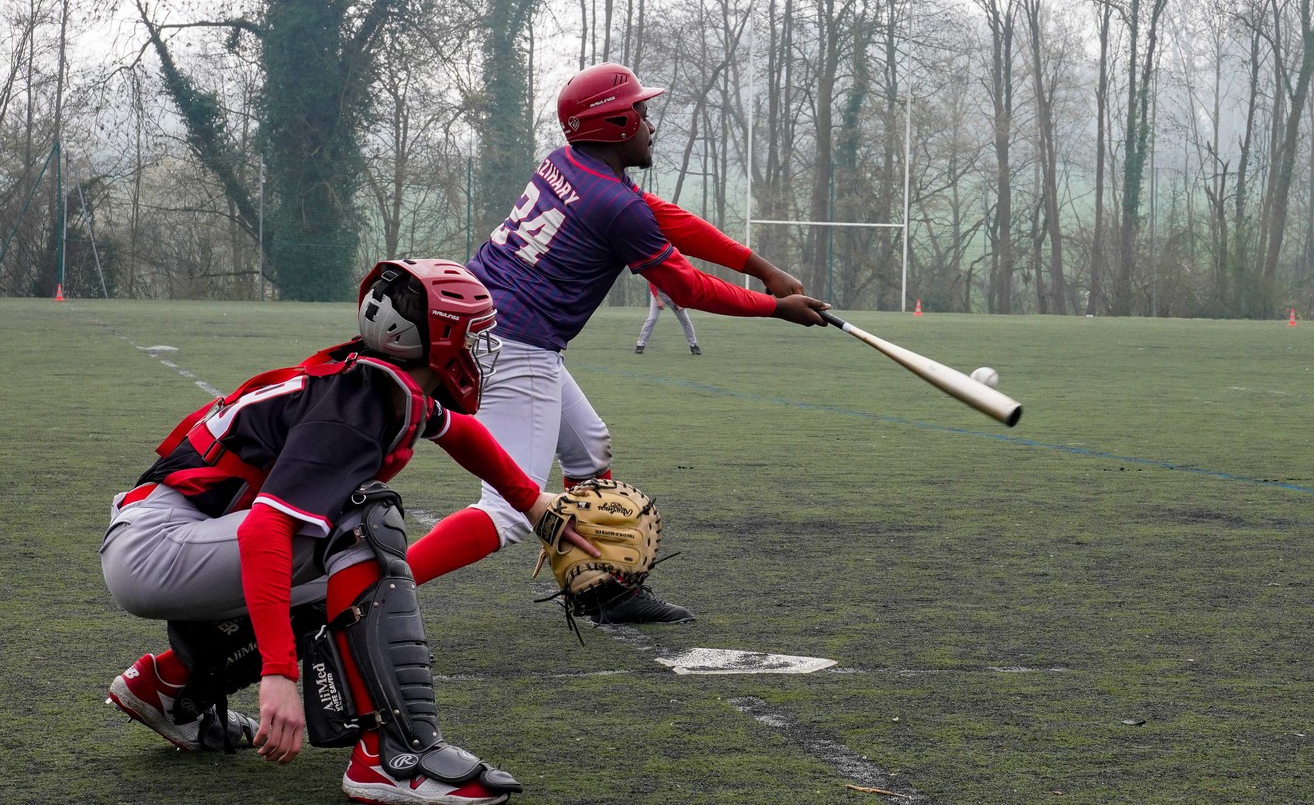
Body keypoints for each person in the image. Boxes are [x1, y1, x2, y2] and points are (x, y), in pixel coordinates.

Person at [101, 259, 598, 805]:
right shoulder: (354, 407)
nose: (483, 349)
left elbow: (458, 429)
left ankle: (167, 688)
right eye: (475, 335)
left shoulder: (377, 384)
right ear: (434, 339)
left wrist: (534, 504)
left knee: (344, 581)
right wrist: (279, 674)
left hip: (175, 533)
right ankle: (392, 756)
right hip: (159, 545)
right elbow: (266, 529)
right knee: (363, 523)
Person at [405, 61, 831, 625]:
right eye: (642, 113)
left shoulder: (568, 164)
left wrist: (759, 266)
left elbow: (665, 216)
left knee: (588, 450)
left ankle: (599, 585)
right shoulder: (614, 205)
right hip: (516, 344)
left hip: (491, 328)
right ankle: (365, 593)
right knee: (509, 512)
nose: (650, 124)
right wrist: (775, 307)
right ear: (616, 124)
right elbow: (683, 285)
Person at [635, 281, 700, 355]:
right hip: (659, 294)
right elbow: (652, 282)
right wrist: (657, 299)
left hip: (674, 296)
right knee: (652, 318)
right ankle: (640, 345)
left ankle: (694, 346)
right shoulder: (658, 270)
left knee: (685, 321)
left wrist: (683, 301)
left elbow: (685, 285)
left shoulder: (678, 271)